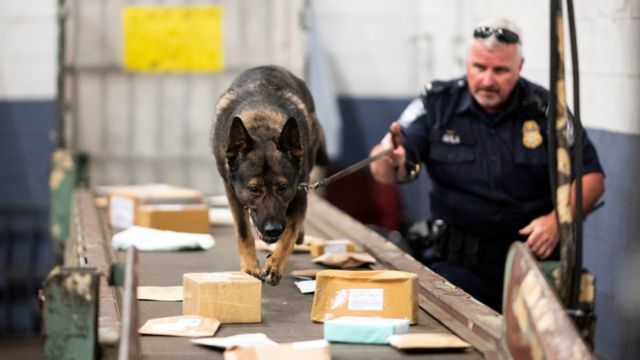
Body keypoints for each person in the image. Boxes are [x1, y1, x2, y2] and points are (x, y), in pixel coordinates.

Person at [369, 18, 605, 311]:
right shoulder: (438, 103)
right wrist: (388, 158)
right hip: (455, 269)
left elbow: (592, 177)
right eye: (479, 68)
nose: (487, 80)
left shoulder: (547, 110)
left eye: (500, 70)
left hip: (531, 269)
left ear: (519, 68)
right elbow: (386, 169)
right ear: (467, 62)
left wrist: (559, 220)